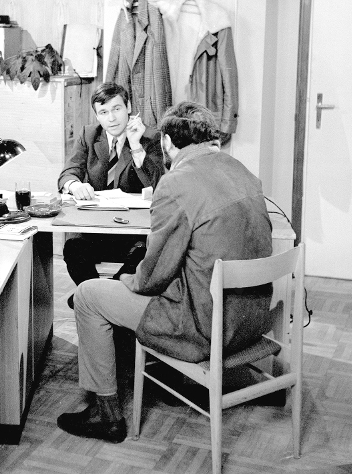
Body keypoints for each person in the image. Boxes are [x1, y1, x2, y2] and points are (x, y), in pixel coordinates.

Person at [57, 101, 274, 443]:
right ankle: (147, 368)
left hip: (204, 327)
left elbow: (152, 277)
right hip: (251, 320)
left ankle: (106, 415)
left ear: (169, 142)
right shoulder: (243, 172)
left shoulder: (176, 183)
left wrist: (124, 280)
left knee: (88, 295)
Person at [57, 82, 165, 307]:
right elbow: (68, 172)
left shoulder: (151, 137)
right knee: (73, 247)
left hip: (133, 233)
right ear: (97, 116)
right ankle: (98, 298)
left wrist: (136, 146)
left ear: (128, 107)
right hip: (97, 229)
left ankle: (96, 299)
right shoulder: (89, 135)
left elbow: (157, 185)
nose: (112, 118)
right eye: (104, 112)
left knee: (145, 254)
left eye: (117, 109)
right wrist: (74, 185)